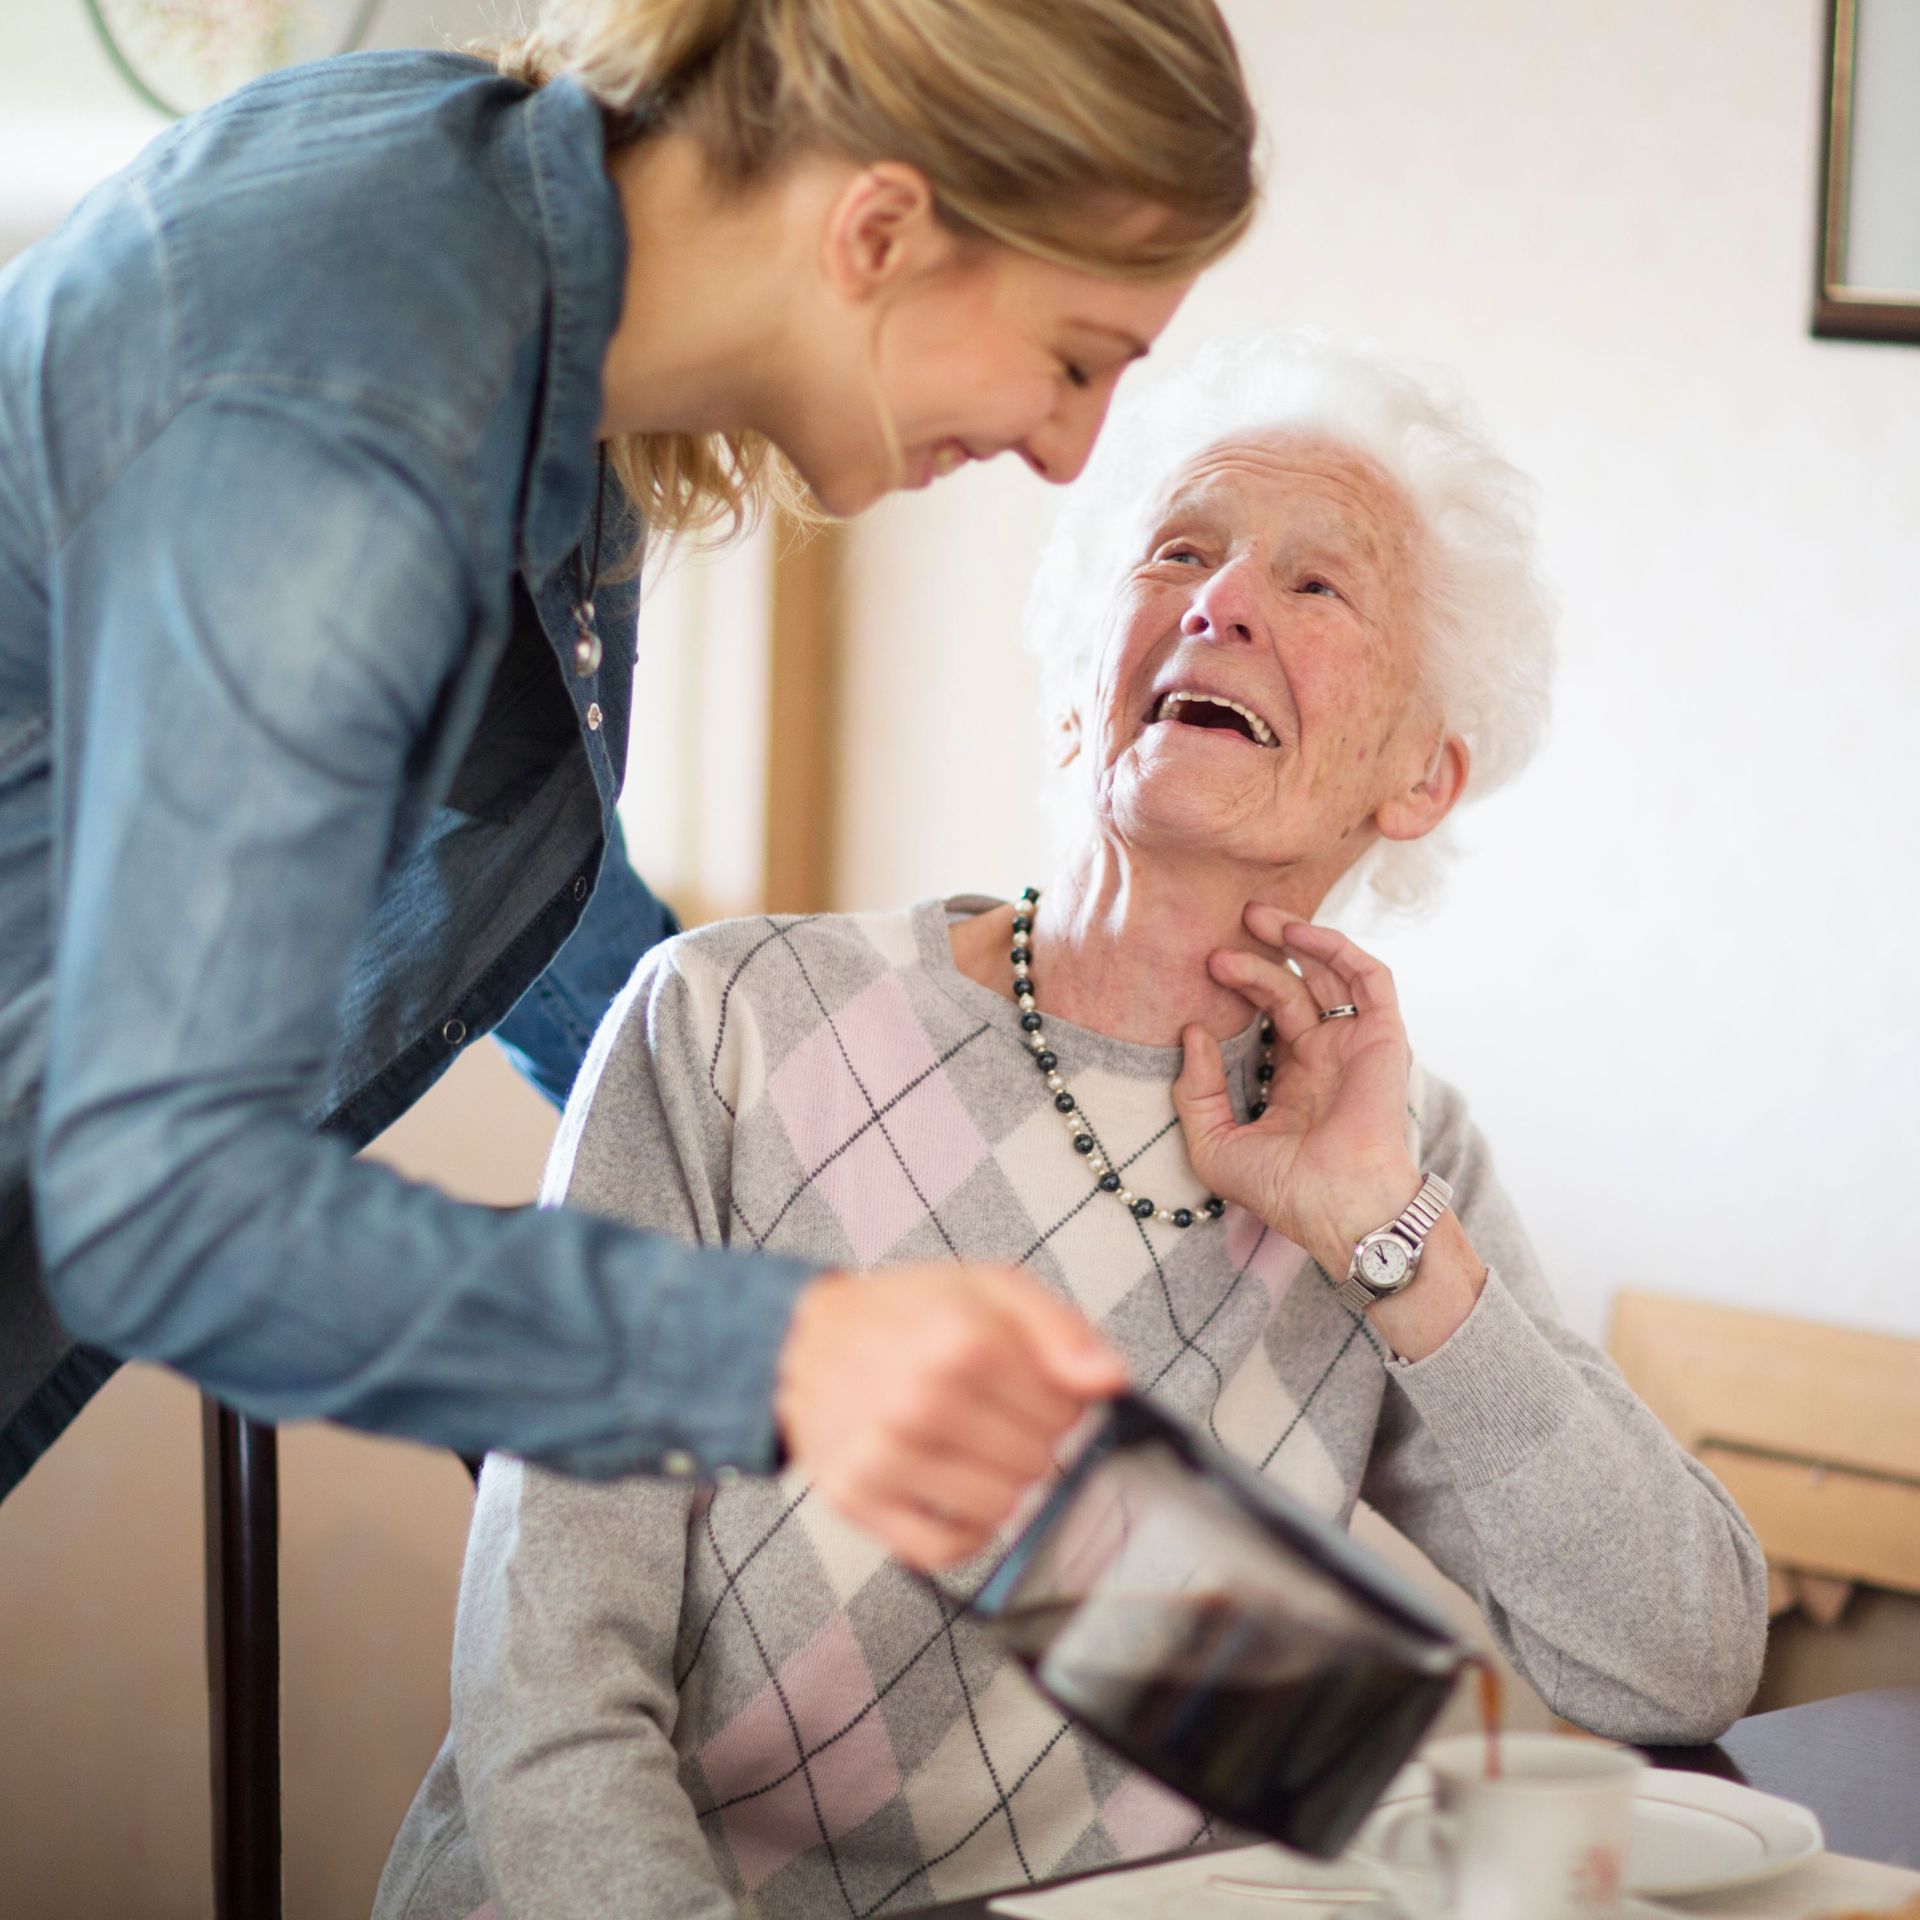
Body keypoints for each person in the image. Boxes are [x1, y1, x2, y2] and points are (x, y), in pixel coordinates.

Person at [373, 332, 1770, 1920]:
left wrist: (1391, 1242)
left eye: (1317, 584)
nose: (1219, 599)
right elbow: (549, 1686)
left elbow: (1675, 1661)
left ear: (1417, 780)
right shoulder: (730, 1021)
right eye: (1176, 552)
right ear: (1074, 693)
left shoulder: (1391, 1155)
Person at [0, 0, 1258, 1548]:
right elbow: (155, 1206)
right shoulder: (360, 406)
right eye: (1073, 361)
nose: (1069, 452)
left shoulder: (523, 287)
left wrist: (813, 1198)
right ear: (879, 231)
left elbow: (524, 868)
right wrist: (785, 1356)